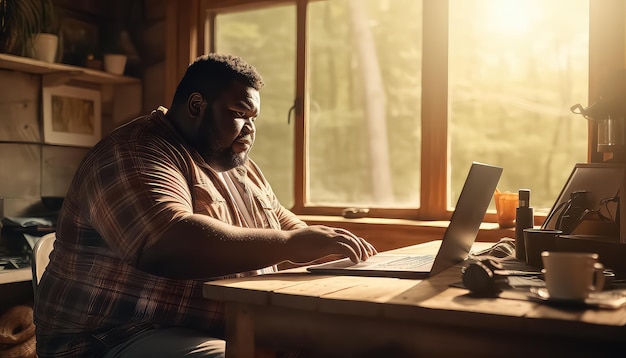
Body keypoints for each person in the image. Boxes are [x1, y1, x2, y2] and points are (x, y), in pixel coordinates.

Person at [33, 53, 377, 357]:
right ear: (197, 106)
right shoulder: (135, 152)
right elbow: (167, 242)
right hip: (114, 338)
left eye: (254, 118)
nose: (249, 129)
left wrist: (334, 251)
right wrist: (291, 246)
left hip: (217, 329)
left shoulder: (235, 163)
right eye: (240, 113)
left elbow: (284, 225)